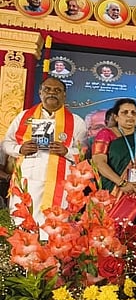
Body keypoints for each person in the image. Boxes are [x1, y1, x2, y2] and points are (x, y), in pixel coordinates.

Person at [1, 77, 86, 234]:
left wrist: (66, 151)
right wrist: (20, 149)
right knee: (22, 229)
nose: (52, 93)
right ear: (40, 93)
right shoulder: (23, 117)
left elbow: (84, 154)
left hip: (60, 184)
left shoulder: (76, 122)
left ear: (64, 95)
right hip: (27, 181)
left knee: (55, 230)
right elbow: (6, 143)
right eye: (47, 89)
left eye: (57, 90)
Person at [92, 99, 136, 223]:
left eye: (133, 113)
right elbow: (99, 162)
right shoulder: (106, 134)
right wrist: (122, 184)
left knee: (135, 230)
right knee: (107, 229)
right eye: (125, 112)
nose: (130, 116)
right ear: (116, 117)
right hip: (112, 192)